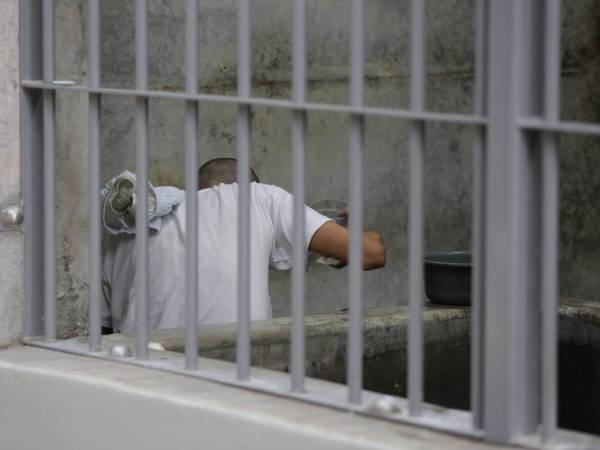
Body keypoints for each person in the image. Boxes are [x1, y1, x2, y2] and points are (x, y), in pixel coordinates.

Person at [101, 158, 386, 333]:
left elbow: (101, 328)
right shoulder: (259, 198)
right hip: (229, 381)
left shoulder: (123, 229)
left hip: (140, 382)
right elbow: (371, 254)